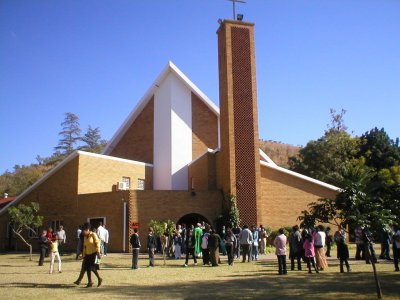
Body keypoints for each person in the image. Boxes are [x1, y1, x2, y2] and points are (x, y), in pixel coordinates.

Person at [74, 223, 102, 288]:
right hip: (87, 254)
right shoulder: (85, 237)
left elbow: (97, 243)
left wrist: (98, 252)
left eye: (84, 231)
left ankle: (99, 278)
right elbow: (84, 247)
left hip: (93, 253)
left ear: (87, 229)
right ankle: (90, 282)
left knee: (91, 268)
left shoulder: (93, 234)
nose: (83, 233)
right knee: (87, 268)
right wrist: (83, 255)